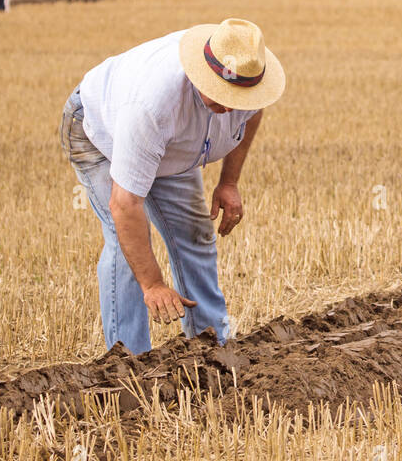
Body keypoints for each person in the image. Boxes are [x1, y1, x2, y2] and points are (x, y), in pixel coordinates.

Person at [60, 18, 286, 355]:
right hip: (100, 130)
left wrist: (229, 182)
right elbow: (125, 205)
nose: (228, 108)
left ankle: (212, 348)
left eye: (237, 99)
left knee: (196, 233)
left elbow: (250, 116)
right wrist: (152, 284)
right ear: (201, 75)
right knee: (125, 244)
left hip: (175, 145)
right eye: (221, 95)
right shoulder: (152, 105)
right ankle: (129, 362)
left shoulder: (248, 79)